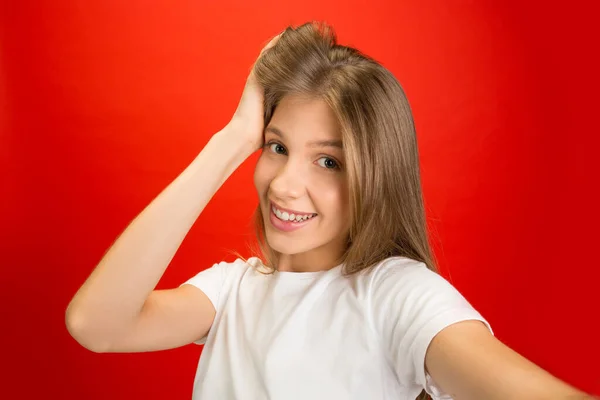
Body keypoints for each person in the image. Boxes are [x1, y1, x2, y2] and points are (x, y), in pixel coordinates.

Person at [66, 22, 594, 400]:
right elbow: (95, 324)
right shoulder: (230, 291)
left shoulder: (397, 295)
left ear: (374, 177)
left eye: (327, 161)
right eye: (276, 147)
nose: (286, 185)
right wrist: (231, 140)